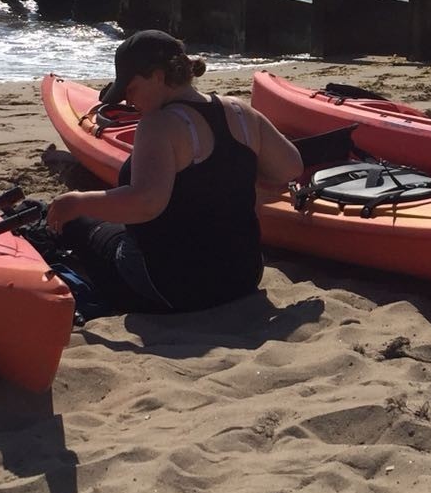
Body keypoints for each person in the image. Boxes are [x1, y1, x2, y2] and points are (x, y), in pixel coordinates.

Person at [46, 30, 303, 313]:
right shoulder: (240, 112)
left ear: (157, 76)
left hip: (176, 287)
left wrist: (77, 202)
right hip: (243, 277)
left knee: (80, 224)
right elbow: (290, 167)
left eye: (131, 90)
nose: (129, 102)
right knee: (113, 225)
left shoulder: (159, 125)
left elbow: (145, 204)